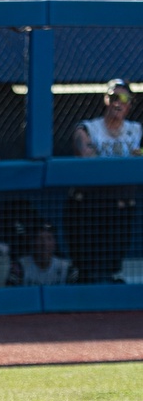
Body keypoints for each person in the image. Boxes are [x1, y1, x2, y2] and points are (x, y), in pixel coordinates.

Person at [65, 78, 141, 284]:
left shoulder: (136, 130)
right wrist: (128, 161)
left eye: (124, 98)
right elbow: (86, 155)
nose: (118, 102)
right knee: (86, 266)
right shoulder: (89, 127)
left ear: (130, 104)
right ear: (106, 99)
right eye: (114, 97)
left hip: (120, 206)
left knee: (112, 266)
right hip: (88, 205)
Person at [7, 224, 77, 286]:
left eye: (49, 238)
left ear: (55, 243)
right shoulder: (20, 267)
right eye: (40, 239)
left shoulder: (67, 269)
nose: (44, 244)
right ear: (32, 243)